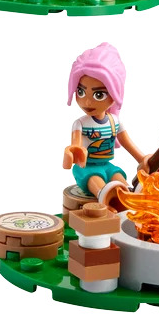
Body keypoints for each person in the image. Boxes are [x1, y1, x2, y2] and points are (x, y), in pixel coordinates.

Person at [62, 42, 148, 200]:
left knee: (119, 180)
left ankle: (129, 199)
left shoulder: (114, 122)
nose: (87, 102)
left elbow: (127, 143)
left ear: (116, 93)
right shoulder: (80, 124)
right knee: (97, 182)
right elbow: (76, 145)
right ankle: (104, 197)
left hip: (107, 166)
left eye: (98, 95)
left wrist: (142, 159)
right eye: (80, 92)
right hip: (86, 169)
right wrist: (72, 152)